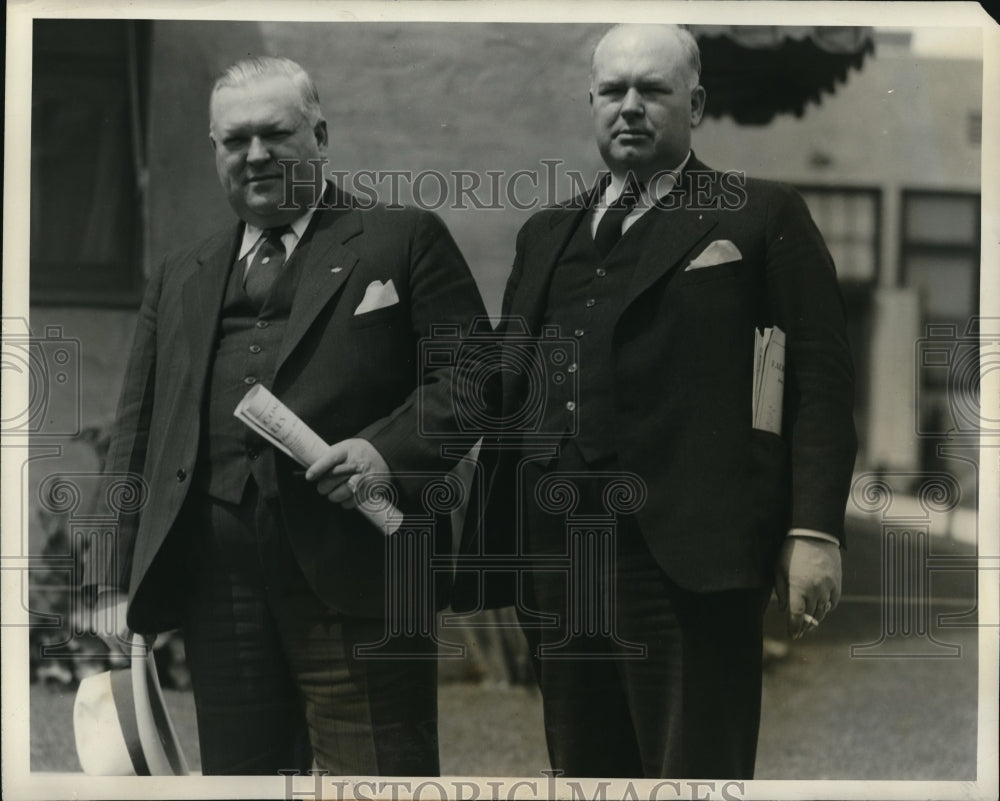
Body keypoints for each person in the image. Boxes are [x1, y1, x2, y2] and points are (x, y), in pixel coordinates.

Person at [472, 24, 857, 779]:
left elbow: (820, 377)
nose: (630, 107)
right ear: (591, 102)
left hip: (689, 560)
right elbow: (503, 392)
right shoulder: (545, 233)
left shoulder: (758, 214)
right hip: (558, 559)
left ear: (697, 102)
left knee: (692, 774)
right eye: (613, 90)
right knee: (582, 773)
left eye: (653, 90)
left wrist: (813, 529)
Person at [84, 56, 487, 776]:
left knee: (378, 779)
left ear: (321, 135)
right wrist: (112, 574)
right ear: (215, 150)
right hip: (221, 587)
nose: (256, 154)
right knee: (241, 780)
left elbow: (476, 378)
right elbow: (137, 431)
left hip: (361, 573)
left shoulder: (401, 237)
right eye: (235, 139)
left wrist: (383, 451)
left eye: (276, 133)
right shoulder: (184, 271)